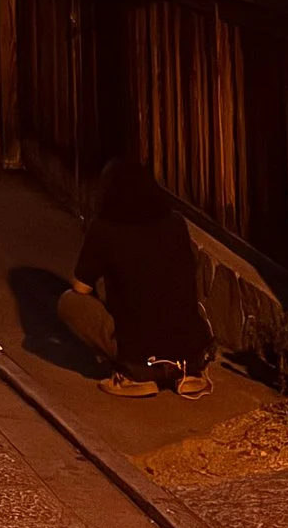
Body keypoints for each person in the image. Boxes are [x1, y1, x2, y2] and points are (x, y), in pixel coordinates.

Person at [59, 156, 215, 399]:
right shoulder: (176, 223)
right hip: (188, 352)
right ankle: (188, 374)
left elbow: (80, 287)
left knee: (69, 302)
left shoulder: (104, 228)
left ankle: (135, 376)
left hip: (138, 351)